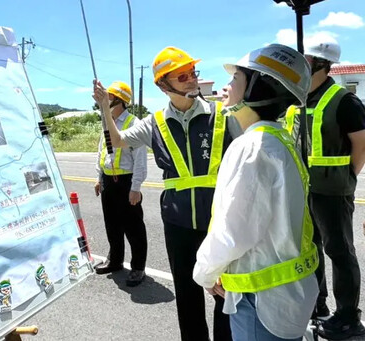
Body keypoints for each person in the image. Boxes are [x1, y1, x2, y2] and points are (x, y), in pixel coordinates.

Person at [93, 47, 241, 341]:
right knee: (187, 295)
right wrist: (103, 107)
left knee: (225, 294)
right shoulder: (155, 122)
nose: (191, 81)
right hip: (178, 223)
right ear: (164, 85)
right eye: (182, 76)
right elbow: (119, 141)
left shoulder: (223, 114)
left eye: (192, 74)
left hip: (220, 222)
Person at [193, 43, 318, 341]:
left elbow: (235, 230)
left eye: (235, 78)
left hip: (261, 303)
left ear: (257, 88)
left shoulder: (254, 148)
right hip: (285, 295)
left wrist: (205, 273)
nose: (226, 86)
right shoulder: (278, 139)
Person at [283, 34, 365, 339]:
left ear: (321, 63)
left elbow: (361, 145)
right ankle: (317, 305)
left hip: (333, 191)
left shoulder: (344, 101)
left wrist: (348, 176)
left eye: (305, 60)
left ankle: (347, 317)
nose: (300, 66)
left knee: (340, 252)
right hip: (304, 190)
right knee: (310, 249)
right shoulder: (299, 100)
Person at [94, 81, 148, 287]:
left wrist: (135, 188)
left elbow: (140, 160)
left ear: (119, 100)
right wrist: (99, 178)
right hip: (109, 180)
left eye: (108, 98)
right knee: (112, 224)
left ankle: (138, 267)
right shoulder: (107, 122)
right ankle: (115, 260)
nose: (104, 101)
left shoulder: (134, 124)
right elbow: (101, 151)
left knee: (133, 227)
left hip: (126, 181)